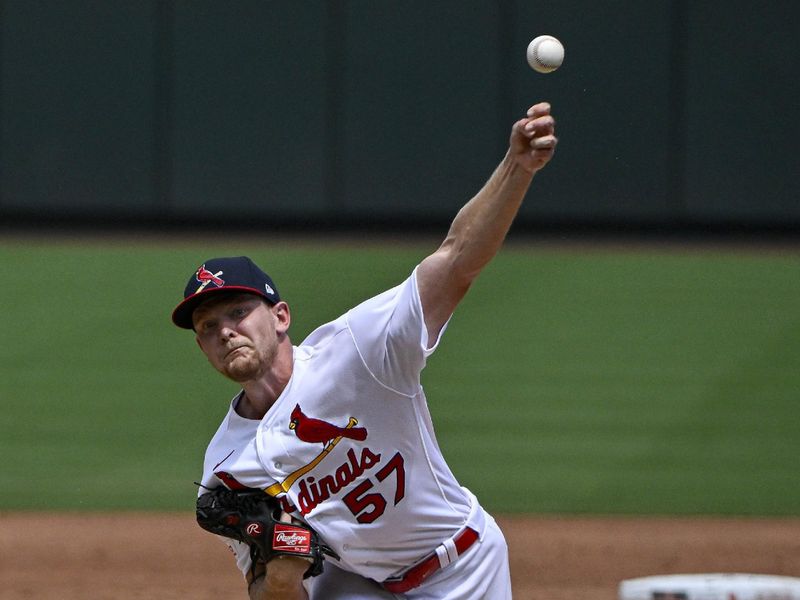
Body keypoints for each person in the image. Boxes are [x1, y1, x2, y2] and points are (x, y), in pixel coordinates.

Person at [172, 102, 557, 599]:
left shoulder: (359, 351)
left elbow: (457, 258)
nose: (224, 331)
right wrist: (285, 574)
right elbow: (265, 592)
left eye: (238, 313)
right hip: (360, 585)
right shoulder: (227, 464)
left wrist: (517, 168)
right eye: (207, 326)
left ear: (281, 317)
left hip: (464, 566)